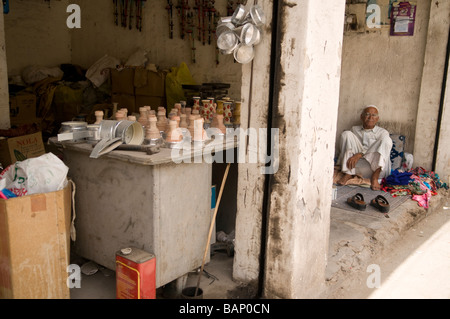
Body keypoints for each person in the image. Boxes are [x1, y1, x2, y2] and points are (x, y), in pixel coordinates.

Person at [337, 105, 393, 190]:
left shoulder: (382, 132)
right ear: (361, 117)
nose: (370, 117)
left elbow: (380, 150)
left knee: (386, 140)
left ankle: (375, 178)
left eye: (374, 115)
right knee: (346, 134)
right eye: (367, 114)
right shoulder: (354, 129)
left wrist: (360, 154)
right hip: (354, 166)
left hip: (374, 168)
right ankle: (348, 173)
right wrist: (357, 155)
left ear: (377, 118)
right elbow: (349, 146)